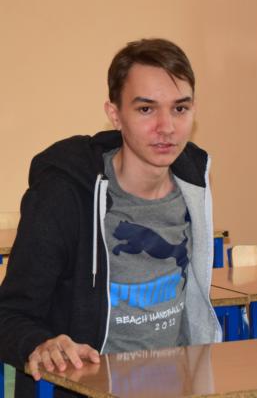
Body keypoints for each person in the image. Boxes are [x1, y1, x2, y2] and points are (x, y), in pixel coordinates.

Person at [0, 38, 222, 396]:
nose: (166, 126)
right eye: (146, 109)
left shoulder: (193, 185)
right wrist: (40, 343)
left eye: (180, 108)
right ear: (115, 114)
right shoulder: (65, 194)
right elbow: (8, 315)